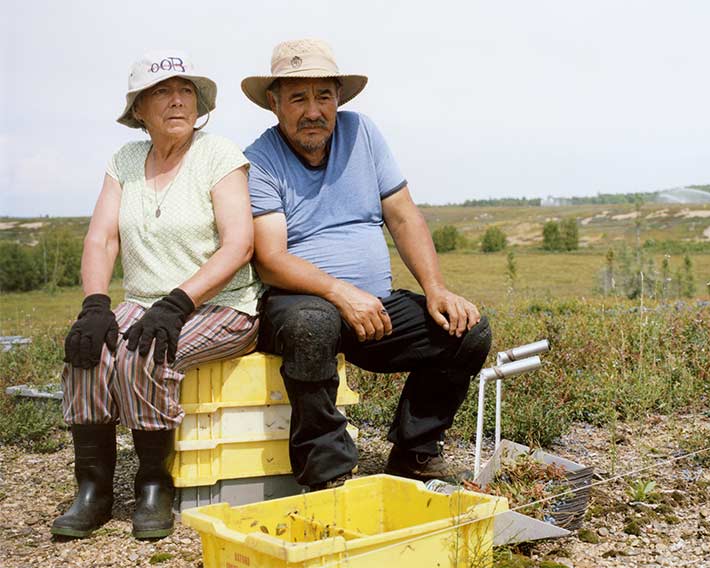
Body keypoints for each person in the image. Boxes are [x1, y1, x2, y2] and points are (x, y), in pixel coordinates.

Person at [241, 39, 492, 491]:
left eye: (324, 96)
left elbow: (402, 213)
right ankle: (327, 473)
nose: (313, 110)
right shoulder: (259, 160)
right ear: (274, 104)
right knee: (312, 323)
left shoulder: (363, 134)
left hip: (375, 304)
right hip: (300, 303)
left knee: (466, 330)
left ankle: (415, 453)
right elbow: (272, 260)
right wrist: (339, 292)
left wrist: (436, 288)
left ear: (339, 99)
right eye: (298, 98)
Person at [52, 51, 263, 540]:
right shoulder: (124, 160)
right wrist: (95, 304)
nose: (176, 100)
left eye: (185, 90)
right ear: (139, 111)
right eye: (161, 92)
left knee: (142, 353)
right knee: (87, 350)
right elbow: (102, 238)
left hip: (222, 303)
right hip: (145, 300)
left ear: (199, 102)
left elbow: (240, 243)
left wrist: (178, 302)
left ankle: (152, 482)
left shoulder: (219, 155)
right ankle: (94, 489)